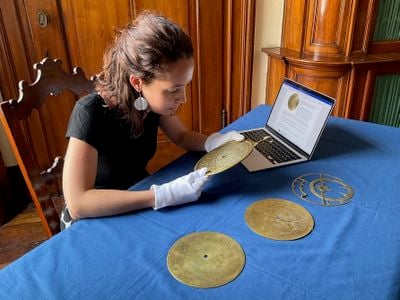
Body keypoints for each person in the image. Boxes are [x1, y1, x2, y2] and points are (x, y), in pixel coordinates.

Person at [61, 11, 244, 229]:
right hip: (95, 216)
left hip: (137, 195)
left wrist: (212, 142)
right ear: (137, 83)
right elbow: (78, 203)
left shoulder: (150, 102)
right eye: (174, 89)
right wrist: (161, 195)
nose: (183, 98)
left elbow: (182, 136)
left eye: (185, 85)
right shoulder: (90, 112)